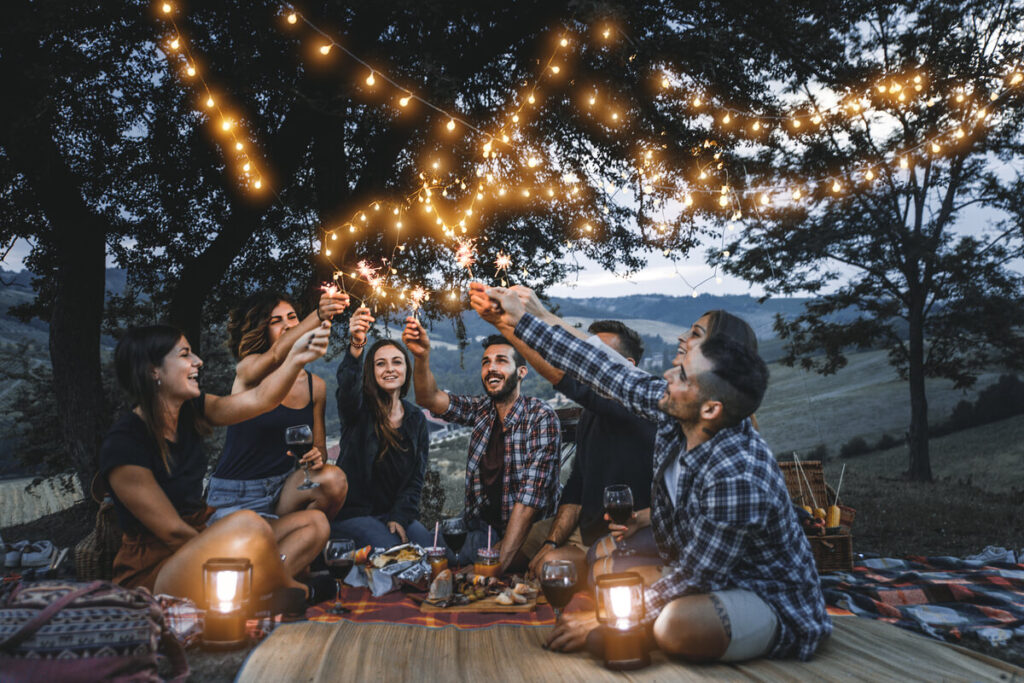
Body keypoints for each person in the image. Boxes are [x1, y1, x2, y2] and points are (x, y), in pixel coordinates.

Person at [470, 283, 831, 663]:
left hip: (764, 597)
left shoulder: (738, 472)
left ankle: (637, 633)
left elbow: (696, 576)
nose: (668, 378)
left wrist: (602, 620)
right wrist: (522, 321)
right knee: (616, 580)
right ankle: (635, 630)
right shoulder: (675, 406)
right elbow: (598, 365)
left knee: (676, 624)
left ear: (710, 409)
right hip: (705, 578)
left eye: (682, 375)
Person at [100, 322, 335, 606]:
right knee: (249, 524)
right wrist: (238, 542)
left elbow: (261, 399)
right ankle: (290, 590)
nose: (198, 361)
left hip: (199, 541)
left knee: (315, 523)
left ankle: (260, 592)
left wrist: (296, 357)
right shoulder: (124, 443)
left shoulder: (192, 411)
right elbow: (172, 532)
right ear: (153, 370)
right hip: (156, 572)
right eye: (185, 354)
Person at [473, 307, 656, 584]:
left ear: (628, 368)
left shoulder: (637, 412)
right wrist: (552, 540)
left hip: (615, 533)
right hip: (579, 526)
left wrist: (512, 323)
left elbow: (561, 378)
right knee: (492, 557)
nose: (587, 364)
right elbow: (576, 487)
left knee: (547, 568)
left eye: (598, 358)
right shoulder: (590, 415)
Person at [589, 309, 763, 584]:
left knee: (604, 576)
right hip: (680, 545)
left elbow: (704, 563)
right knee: (595, 562)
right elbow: (608, 370)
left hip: (725, 576)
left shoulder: (734, 457)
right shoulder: (675, 404)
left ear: (720, 355)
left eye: (695, 334)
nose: (682, 337)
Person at [402, 317, 560, 573]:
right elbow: (428, 398)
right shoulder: (481, 411)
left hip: (527, 534)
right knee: (417, 547)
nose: (491, 368)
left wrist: (490, 567)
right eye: (486, 362)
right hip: (481, 531)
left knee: (455, 572)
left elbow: (528, 504)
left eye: (501, 361)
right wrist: (421, 356)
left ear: (521, 372)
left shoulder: (540, 417)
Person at [207, 291, 349, 526]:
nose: (287, 325)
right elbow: (275, 355)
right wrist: (319, 314)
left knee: (334, 480)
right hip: (238, 494)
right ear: (261, 330)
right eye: (276, 321)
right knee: (257, 554)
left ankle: (296, 543)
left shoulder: (316, 387)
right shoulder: (249, 370)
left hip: (285, 489)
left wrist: (317, 456)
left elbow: (320, 448)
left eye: (292, 317)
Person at [331, 306, 434, 548]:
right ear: (370, 372)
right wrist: (357, 345)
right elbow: (347, 387)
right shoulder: (357, 410)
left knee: (428, 549)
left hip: (393, 513)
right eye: (380, 364)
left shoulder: (416, 419)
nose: (389, 369)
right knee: (391, 551)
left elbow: (415, 480)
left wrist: (399, 516)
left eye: (397, 362)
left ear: (406, 369)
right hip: (355, 514)